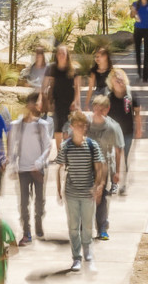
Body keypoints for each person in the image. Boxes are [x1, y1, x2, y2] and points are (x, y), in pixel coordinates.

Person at [57, 111, 106, 269]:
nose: (80, 128)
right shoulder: (66, 146)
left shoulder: (92, 145)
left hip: (87, 193)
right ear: (71, 127)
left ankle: (87, 250)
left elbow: (99, 168)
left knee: (87, 225)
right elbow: (59, 167)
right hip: (71, 193)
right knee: (73, 226)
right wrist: (59, 188)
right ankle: (76, 257)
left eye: (83, 126)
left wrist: (97, 186)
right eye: (77, 126)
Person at [10, 92, 53, 245]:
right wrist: (13, 165)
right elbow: (13, 147)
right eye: (34, 104)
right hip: (23, 170)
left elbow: (48, 146)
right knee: (23, 203)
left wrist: (39, 163)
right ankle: (26, 232)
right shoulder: (17, 125)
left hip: (38, 170)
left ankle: (38, 221)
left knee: (39, 201)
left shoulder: (42, 125)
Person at [86, 95, 126, 241]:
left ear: (107, 110)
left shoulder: (113, 127)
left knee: (102, 197)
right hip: (87, 164)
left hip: (104, 166)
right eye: (96, 109)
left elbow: (118, 149)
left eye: (102, 109)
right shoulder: (86, 124)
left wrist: (117, 173)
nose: (98, 112)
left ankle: (102, 228)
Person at [105, 68, 142, 195]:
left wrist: (139, 128)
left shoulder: (130, 94)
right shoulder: (109, 97)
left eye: (120, 78)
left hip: (127, 132)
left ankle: (124, 184)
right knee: (114, 159)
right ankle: (114, 183)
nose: (119, 81)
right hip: (114, 133)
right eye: (116, 80)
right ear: (111, 83)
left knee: (125, 158)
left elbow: (137, 112)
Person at [42, 44, 78, 128]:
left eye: (63, 53)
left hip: (69, 102)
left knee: (68, 128)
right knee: (58, 128)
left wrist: (76, 102)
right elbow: (45, 86)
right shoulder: (51, 68)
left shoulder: (73, 69)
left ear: (67, 55)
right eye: (59, 53)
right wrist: (44, 100)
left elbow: (77, 88)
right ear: (56, 55)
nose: (61, 55)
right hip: (56, 101)